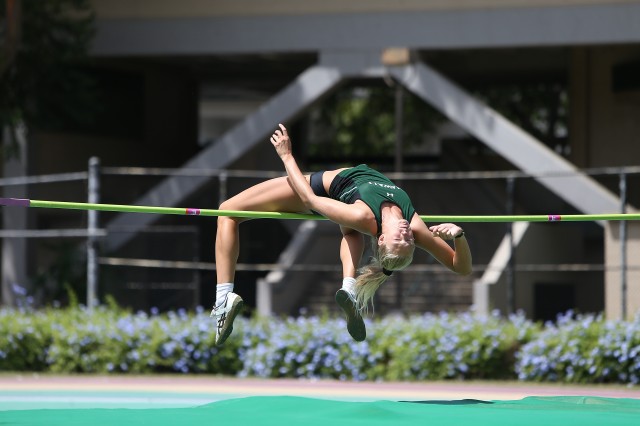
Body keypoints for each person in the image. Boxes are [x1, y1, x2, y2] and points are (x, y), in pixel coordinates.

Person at [211, 124, 472, 345]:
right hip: (345, 208)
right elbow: (459, 267)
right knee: (350, 230)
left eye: (399, 240)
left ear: (381, 239)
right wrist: (458, 237)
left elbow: (310, 199)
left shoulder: (363, 216)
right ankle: (349, 289)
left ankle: (224, 298)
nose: (407, 235)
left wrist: (286, 156)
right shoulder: (414, 225)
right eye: (409, 242)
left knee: (226, 212)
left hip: (315, 191)